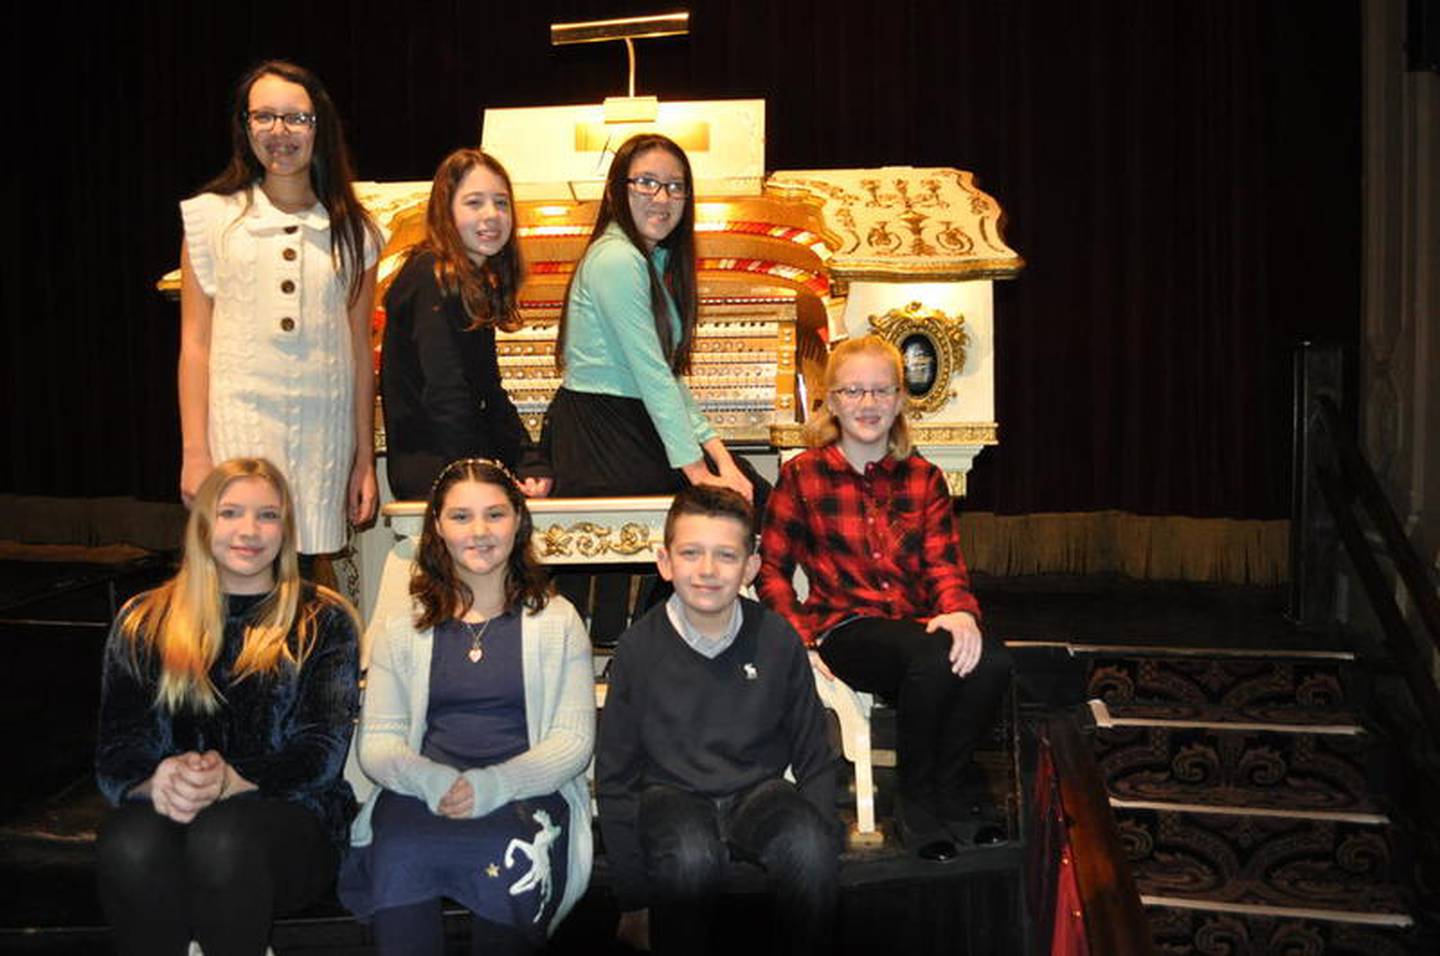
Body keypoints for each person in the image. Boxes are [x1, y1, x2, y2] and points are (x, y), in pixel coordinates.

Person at [757, 335, 1013, 860]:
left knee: (991, 660)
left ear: (899, 400)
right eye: (853, 391)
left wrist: (961, 612)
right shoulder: (802, 475)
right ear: (831, 400)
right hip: (845, 629)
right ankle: (920, 805)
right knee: (929, 657)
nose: (868, 404)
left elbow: (945, 564)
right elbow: (772, 572)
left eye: (880, 391)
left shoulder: (924, 479)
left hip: (919, 625)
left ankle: (952, 786)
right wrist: (798, 639)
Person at [95, 458, 362, 956]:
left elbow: (319, 753)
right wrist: (160, 779)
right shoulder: (143, 620)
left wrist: (230, 779)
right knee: (127, 845)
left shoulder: (322, 618)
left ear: (287, 528)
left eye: (267, 515)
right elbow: (117, 752)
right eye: (231, 512)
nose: (249, 530)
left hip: (291, 817)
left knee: (223, 838)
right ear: (203, 524)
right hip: (171, 814)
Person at [339, 458, 594, 956]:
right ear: (437, 526)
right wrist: (432, 781)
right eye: (460, 517)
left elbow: (573, 743)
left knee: (506, 853)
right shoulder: (401, 626)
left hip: (524, 792)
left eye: (495, 515)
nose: (479, 532)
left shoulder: (558, 621)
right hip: (420, 791)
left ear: (519, 520)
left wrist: (493, 784)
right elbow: (380, 744)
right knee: (401, 852)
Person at [595, 486, 839, 955]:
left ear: (749, 568)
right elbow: (616, 775)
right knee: (691, 858)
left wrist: (821, 835)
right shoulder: (638, 649)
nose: (707, 570)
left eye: (726, 555)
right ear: (665, 562)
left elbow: (814, 754)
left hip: (758, 790)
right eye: (691, 553)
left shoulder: (776, 638)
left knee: (809, 846)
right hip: (671, 793)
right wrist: (633, 900)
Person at [178, 60, 385, 559]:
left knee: (306, 573)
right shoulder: (211, 219)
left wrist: (362, 460)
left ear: (320, 128)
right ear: (245, 126)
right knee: (239, 565)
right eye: (264, 117)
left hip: (323, 433)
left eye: (296, 118)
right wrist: (194, 452)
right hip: (238, 426)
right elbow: (194, 343)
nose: (280, 131)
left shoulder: (356, 232)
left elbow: (360, 350)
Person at [541, 133, 753, 503]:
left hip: (622, 422)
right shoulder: (617, 259)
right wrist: (700, 474)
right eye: (646, 183)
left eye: (675, 187)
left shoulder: (647, 261)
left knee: (747, 485)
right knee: (736, 504)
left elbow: (668, 378)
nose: (662, 198)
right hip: (601, 434)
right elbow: (651, 373)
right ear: (614, 191)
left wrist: (721, 457)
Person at [380, 149, 551, 502]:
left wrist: (528, 462)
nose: (492, 215)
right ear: (447, 210)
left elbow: (489, 391)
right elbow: (446, 393)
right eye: (475, 202)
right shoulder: (431, 275)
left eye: (501, 203)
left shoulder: (468, 280)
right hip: (439, 471)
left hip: (456, 465)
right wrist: (482, 479)